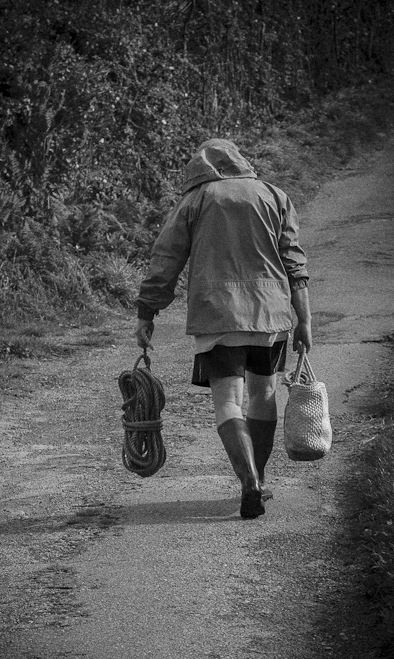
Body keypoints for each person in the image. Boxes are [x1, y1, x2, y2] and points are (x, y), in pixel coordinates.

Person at [134, 139, 312, 519]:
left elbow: (166, 258)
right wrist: (305, 319)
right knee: (263, 396)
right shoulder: (273, 195)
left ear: (199, 168)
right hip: (269, 314)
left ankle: (247, 481)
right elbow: (294, 262)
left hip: (217, 316)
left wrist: (147, 311)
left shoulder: (195, 200)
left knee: (228, 402)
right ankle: (259, 480)